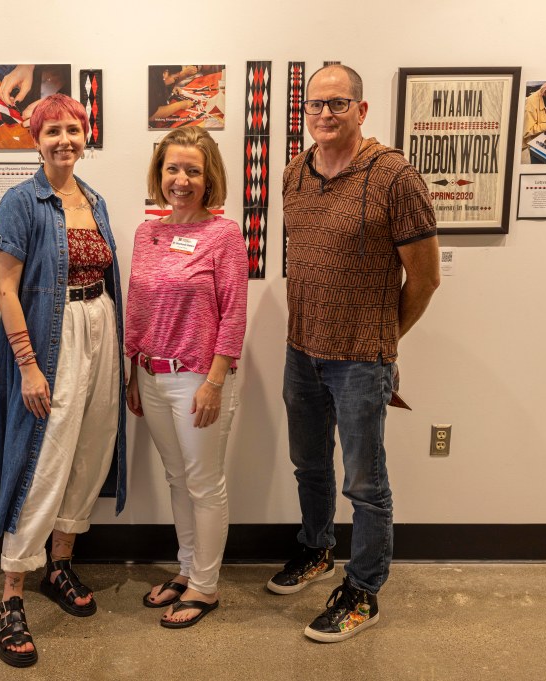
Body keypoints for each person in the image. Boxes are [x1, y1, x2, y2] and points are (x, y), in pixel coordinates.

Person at [270, 65, 440, 642]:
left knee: (365, 484)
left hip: (362, 360)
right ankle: (316, 550)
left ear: (361, 110)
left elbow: (426, 277)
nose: (323, 114)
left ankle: (364, 589)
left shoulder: (395, 176)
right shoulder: (295, 171)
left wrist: (383, 339)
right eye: (315, 105)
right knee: (309, 465)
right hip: (301, 351)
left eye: (338, 103)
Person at [0, 93, 126, 667]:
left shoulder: (94, 199)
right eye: (52, 132)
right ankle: (11, 595)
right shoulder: (22, 201)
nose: (64, 140)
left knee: (89, 452)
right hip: (52, 335)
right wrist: (26, 364)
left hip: (101, 325)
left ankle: (60, 565)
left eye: (73, 130)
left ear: (84, 136)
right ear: (34, 139)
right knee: (43, 458)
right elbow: (5, 288)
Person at [126, 127, 248, 628]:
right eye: (173, 169)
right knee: (177, 479)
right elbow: (136, 305)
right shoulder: (146, 233)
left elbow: (235, 313)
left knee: (203, 483)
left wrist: (216, 380)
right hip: (151, 376)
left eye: (192, 171)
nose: (181, 180)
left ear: (209, 177)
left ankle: (206, 586)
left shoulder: (224, 235)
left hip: (198, 378)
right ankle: (186, 570)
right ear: (159, 174)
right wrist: (132, 371)